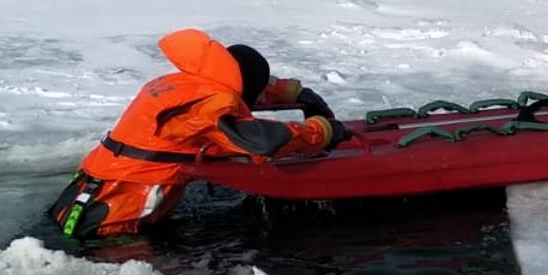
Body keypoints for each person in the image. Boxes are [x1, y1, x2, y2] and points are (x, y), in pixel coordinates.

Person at [48, 28, 349, 241]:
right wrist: (321, 131)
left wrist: (296, 93)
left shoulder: (185, 84)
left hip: (86, 196)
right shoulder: (210, 106)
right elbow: (262, 142)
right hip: (112, 225)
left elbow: (240, 92)